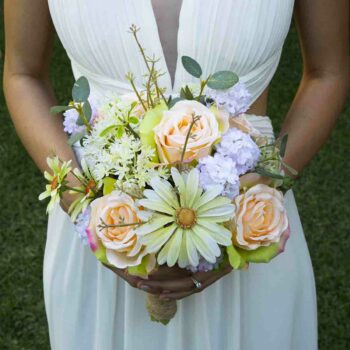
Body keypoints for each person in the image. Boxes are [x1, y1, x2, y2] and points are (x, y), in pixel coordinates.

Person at [3, 1, 349, 349]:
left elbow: (328, 72)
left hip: (249, 233)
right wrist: (84, 207)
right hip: (102, 238)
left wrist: (251, 209)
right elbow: (23, 74)